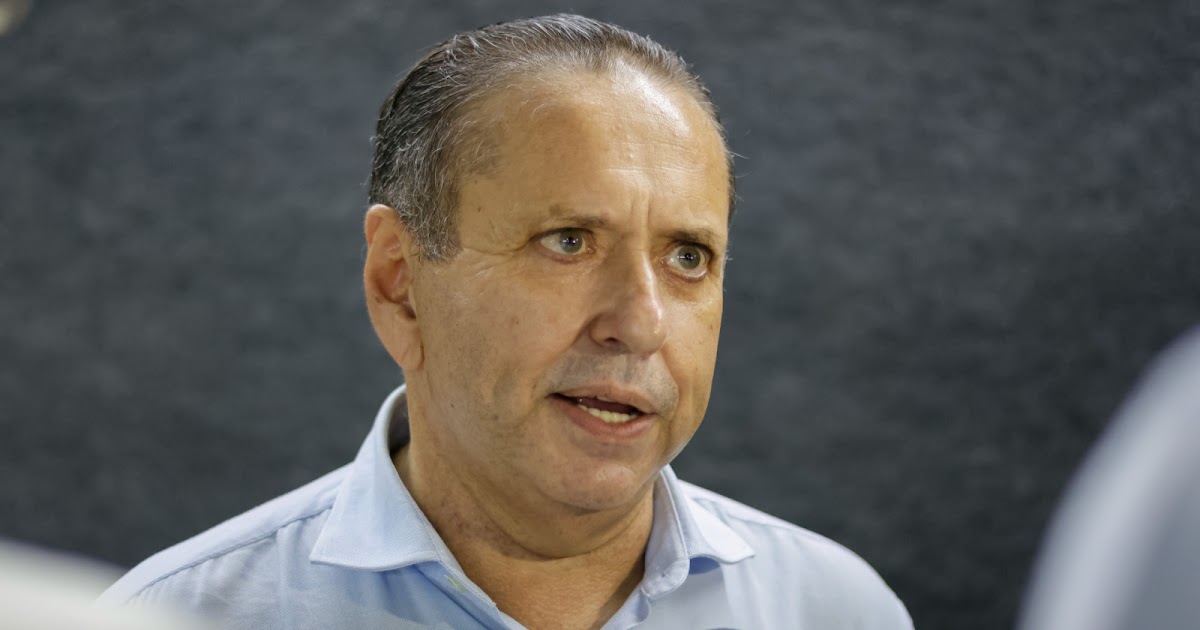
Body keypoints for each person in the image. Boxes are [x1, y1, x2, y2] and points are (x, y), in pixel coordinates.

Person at [101, 14, 912, 629]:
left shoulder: (836, 611)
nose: (640, 323)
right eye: (569, 242)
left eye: (688, 257)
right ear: (399, 284)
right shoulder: (177, 618)